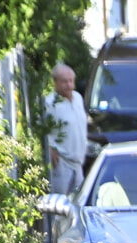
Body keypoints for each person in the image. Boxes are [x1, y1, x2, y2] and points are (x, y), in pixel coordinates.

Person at [45, 63, 87, 196]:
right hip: (61, 161)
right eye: (64, 82)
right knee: (59, 203)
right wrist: (49, 147)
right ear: (55, 82)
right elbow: (42, 129)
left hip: (78, 162)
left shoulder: (78, 98)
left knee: (79, 202)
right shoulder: (49, 103)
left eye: (71, 81)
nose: (69, 85)